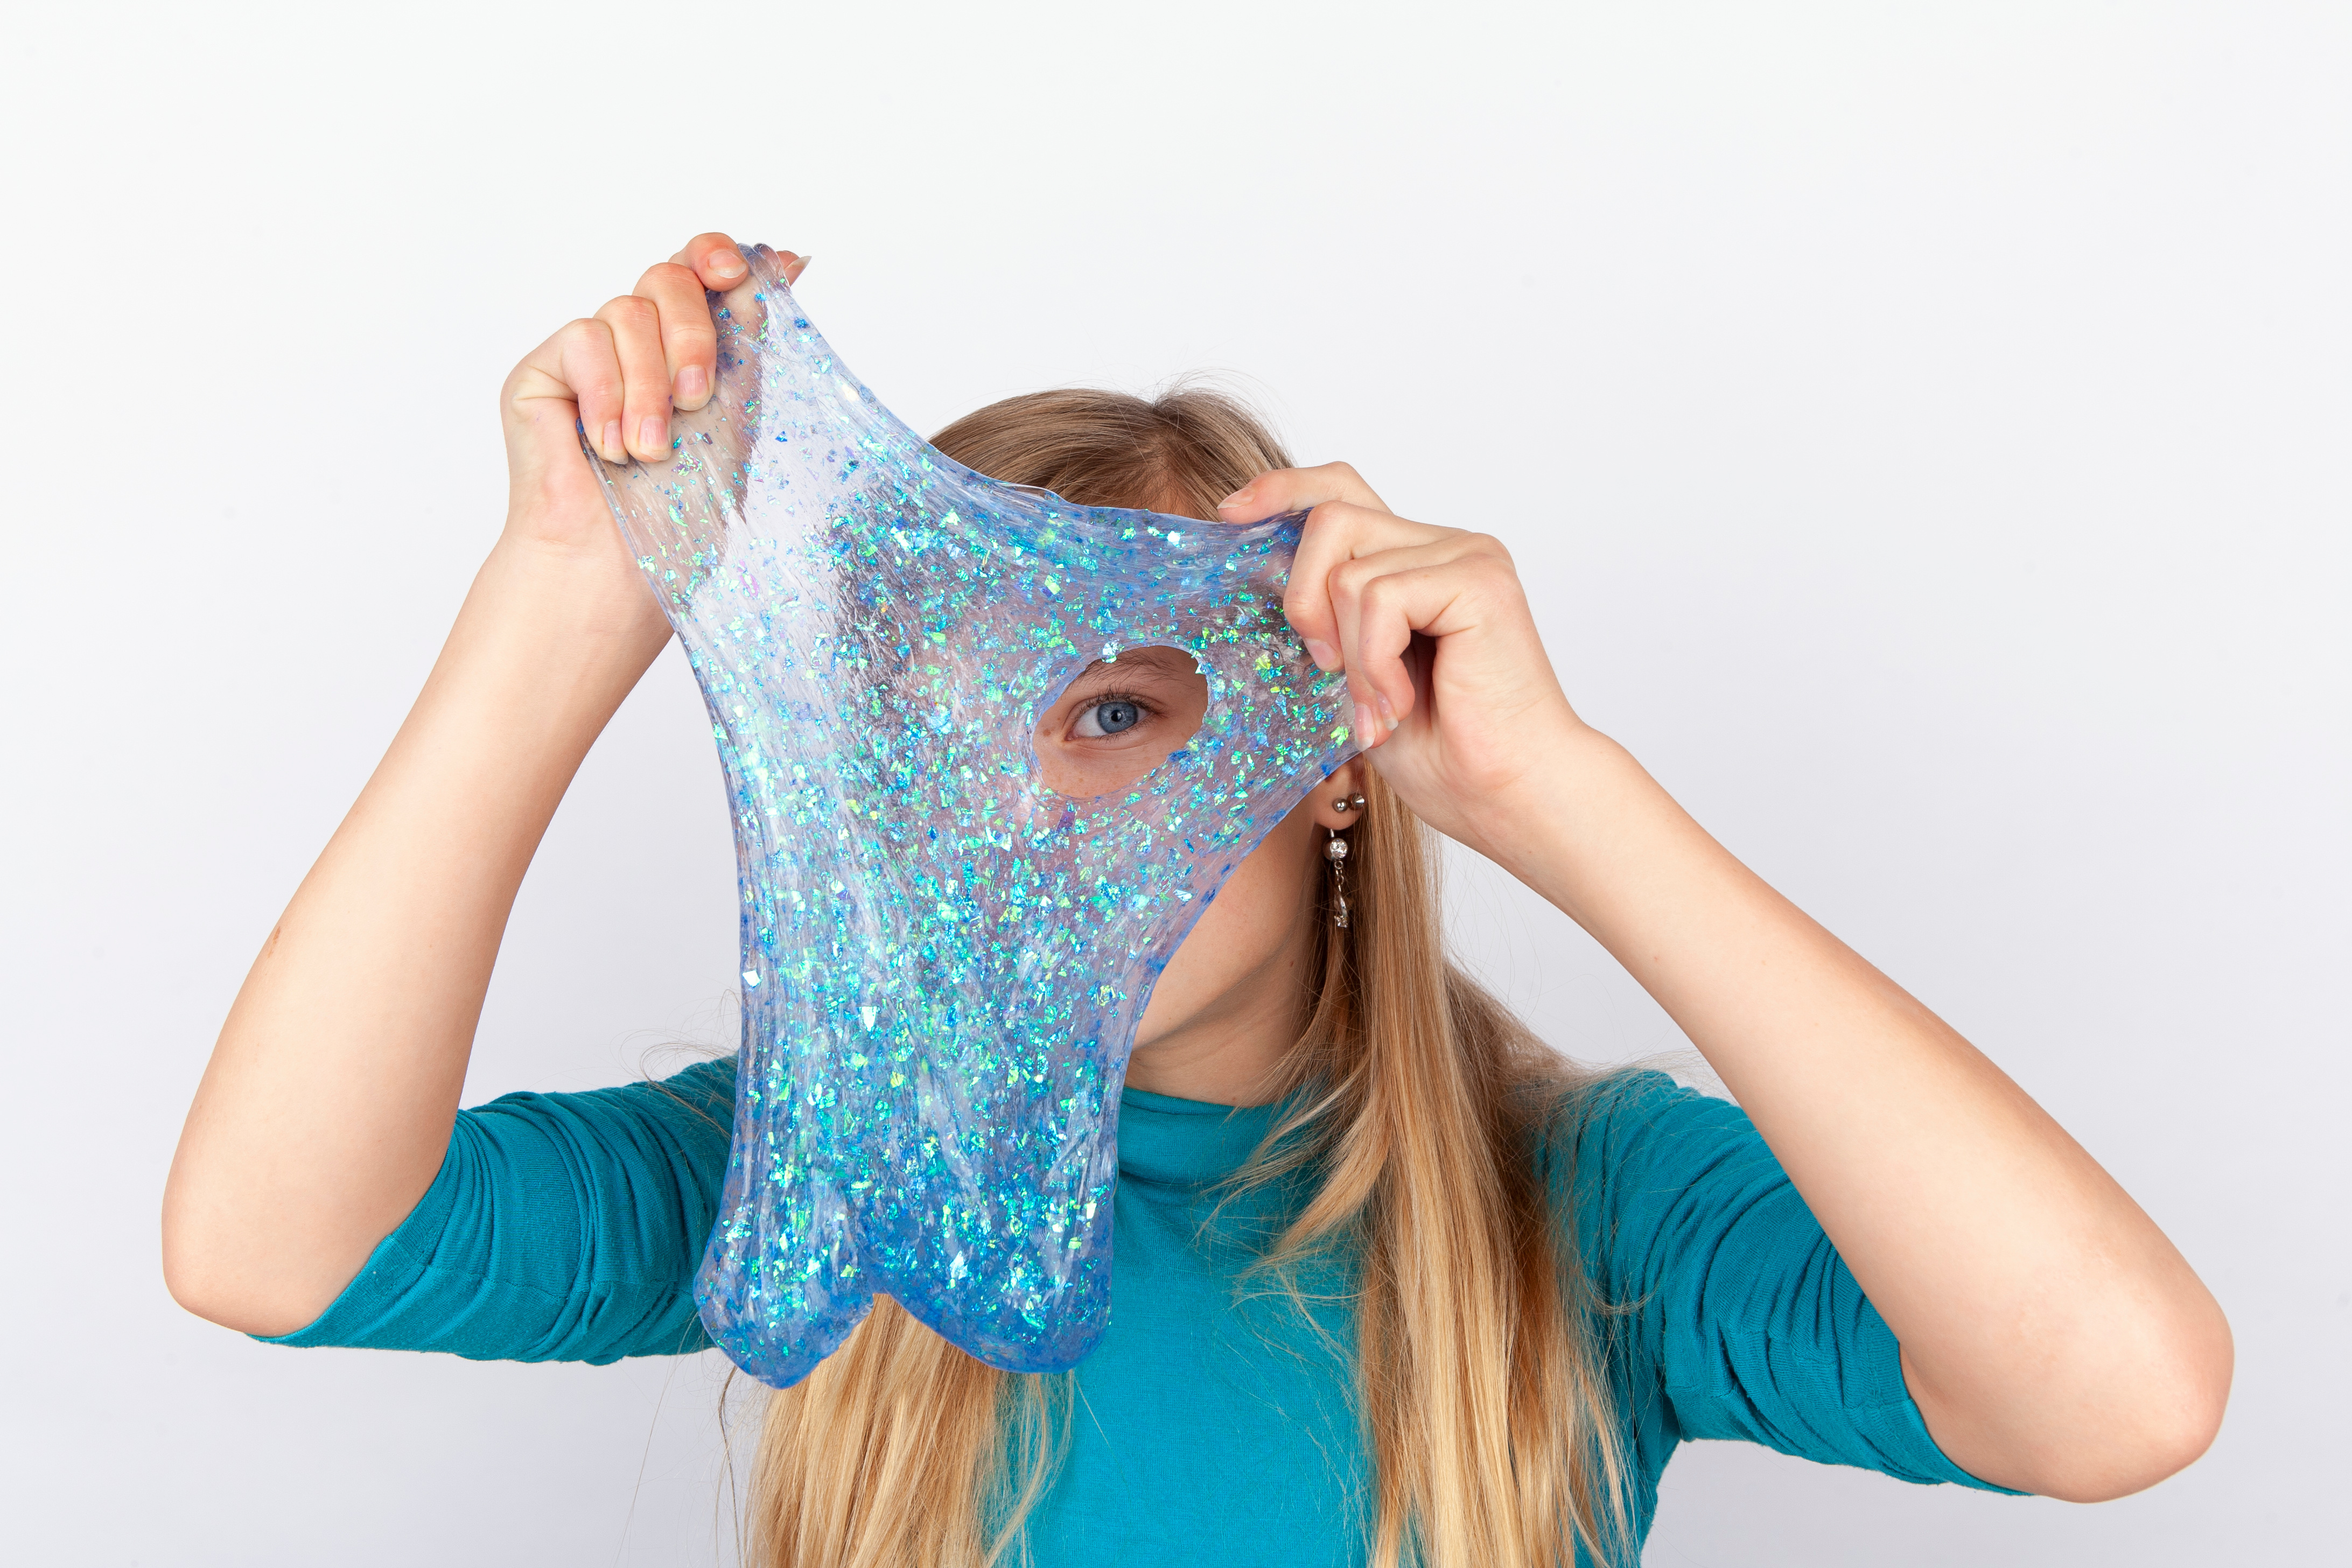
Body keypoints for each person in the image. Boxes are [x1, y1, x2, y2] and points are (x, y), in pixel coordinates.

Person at [161, 232, 2231, 1568]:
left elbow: (2123, 1396)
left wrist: (1561, 797)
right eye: (943, 729)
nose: (1021, 817)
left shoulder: (1579, 1210)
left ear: (1322, 756)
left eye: (1112, 714)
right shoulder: (828, 1172)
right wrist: (563, 594)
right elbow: (270, 1246)